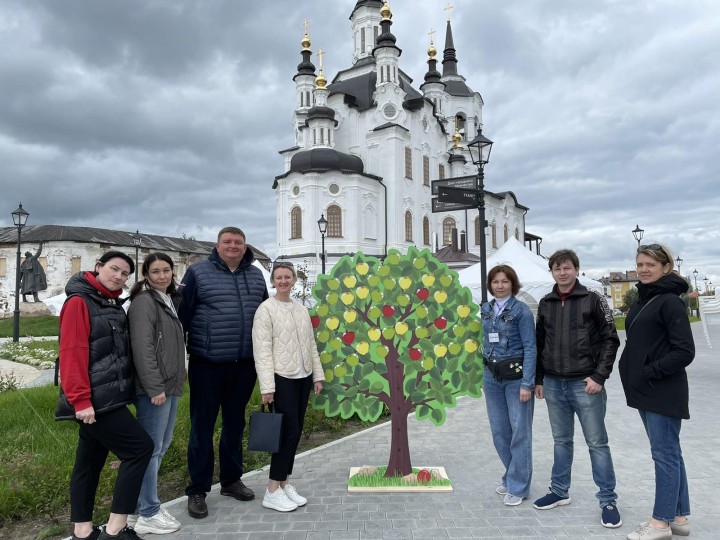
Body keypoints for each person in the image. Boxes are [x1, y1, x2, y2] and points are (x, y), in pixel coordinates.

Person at [55, 251, 153, 540]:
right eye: (114, 269)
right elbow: (72, 354)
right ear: (98, 267)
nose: (119, 276)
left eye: (125, 274)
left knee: (89, 461)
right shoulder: (79, 302)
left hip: (108, 396)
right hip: (96, 401)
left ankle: (83, 532)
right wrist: (81, 400)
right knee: (139, 449)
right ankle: (116, 529)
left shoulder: (110, 303)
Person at [178, 227, 269, 519]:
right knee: (201, 427)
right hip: (208, 363)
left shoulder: (256, 275)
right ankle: (197, 490)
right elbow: (182, 318)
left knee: (234, 424)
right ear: (217, 246)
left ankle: (230, 480)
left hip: (244, 365)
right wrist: (181, 361)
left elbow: (265, 316)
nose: (233, 246)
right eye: (227, 242)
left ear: (245, 247)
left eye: (238, 242)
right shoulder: (198, 273)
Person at [533, 249, 622, 529]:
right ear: (552, 272)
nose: (562, 272)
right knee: (561, 441)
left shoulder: (593, 299)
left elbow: (611, 339)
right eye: (557, 268)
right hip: (554, 384)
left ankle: (607, 500)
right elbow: (539, 343)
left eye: (567, 268)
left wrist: (599, 376)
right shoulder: (545, 302)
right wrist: (538, 379)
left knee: (597, 443)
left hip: (585, 383)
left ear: (576, 269)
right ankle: (559, 491)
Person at [619, 244, 694, 540]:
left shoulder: (669, 301)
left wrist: (650, 370)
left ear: (666, 267)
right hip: (646, 389)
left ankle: (660, 523)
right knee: (670, 453)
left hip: (662, 389)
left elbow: (685, 351)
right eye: (640, 264)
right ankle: (678, 516)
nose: (644, 269)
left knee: (663, 455)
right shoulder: (644, 299)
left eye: (651, 264)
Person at [252, 262, 325, 512]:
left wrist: (317, 375)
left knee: (296, 431)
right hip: (281, 377)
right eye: (279, 277)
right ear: (273, 281)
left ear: (294, 280)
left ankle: (284, 483)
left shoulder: (301, 309)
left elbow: (311, 344)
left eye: (288, 277)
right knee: (287, 433)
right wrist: (267, 387)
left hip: (302, 376)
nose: (283, 281)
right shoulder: (266, 310)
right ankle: (272, 489)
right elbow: (261, 351)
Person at [127, 253, 186, 535]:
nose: (162, 276)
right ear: (146, 275)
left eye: (166, 270)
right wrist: (154, 387)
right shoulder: (144, 303)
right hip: (156, 388)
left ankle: (136, 509)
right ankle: (149, 511)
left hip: (169, 384)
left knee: (159, 447)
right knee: (150, 450)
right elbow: (143, 347)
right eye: (156, 271)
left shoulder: (166, 300)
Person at [481, 265, 536, 506]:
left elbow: (531, 348)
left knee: (519, 433)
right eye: (495, 282)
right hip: (492, 378)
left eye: (504, 281)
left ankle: (519, 486)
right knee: (500, 433)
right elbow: (484, 342)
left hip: (516, 380)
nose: (500, 286)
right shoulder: (485, 309)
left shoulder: (522, 311)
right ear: (490, 285)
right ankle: (511, 474)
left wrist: (528, 383)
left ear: (513, 284)